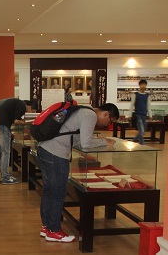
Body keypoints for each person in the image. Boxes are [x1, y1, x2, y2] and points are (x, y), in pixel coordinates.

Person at [37, 103, 119, 243]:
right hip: (56, 154)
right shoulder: (90, 115)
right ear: (106, 114)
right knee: (58, 193)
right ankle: (54, 231)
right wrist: (105, 141)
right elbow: (86, 143)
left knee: (49, 190)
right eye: (110, 121)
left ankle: (47, 227)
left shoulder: (82, 110)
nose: (107, 125)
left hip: (45, 149)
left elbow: (77, 141)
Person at [0, 98, 29, 185]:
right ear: (29, 106)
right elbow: (16, 121)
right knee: (5, 152)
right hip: (3, 125)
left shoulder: (13, 102)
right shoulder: (22, 105)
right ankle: (5, 177)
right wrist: (27, 122)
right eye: (33, 110)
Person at [130, 79, 151, 145]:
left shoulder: (147, 95)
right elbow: (132, 104)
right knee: (141, 130)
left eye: (144, 84)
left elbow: (148, 105)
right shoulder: (136, 94)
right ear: (139, 85)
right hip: (138, 114)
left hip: (144, 114)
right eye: (142, 84)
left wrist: (150, 115)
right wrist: (129, 115)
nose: (143, 86)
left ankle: (134, 139)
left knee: (143, 130)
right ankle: (142, 143)